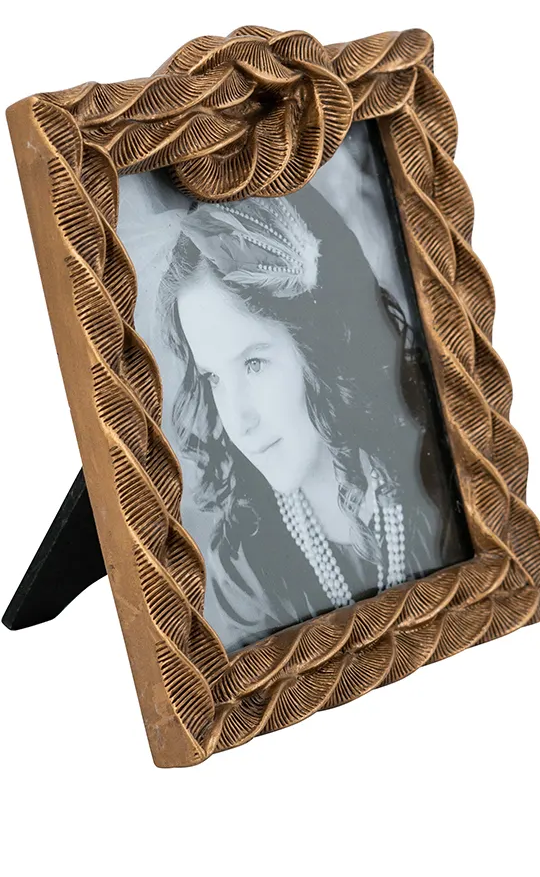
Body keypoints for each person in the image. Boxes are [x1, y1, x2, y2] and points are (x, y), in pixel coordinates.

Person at [156, 184, 467, 651]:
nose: (238, 421)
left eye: (254, 363)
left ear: (321, 345)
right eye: (213, 378)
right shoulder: (247, 566)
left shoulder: (444, 458)